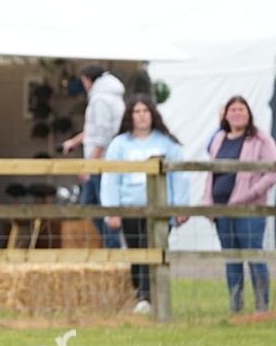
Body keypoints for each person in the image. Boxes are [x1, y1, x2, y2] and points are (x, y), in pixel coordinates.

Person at [100, 95, 188, 315]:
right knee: (136, 252)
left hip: (160, 209)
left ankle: (152, 297)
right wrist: (112, 210)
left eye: (145, 111)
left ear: (153, 114)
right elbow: (111, 178)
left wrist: (180, 207)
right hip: (130, 207)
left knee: (155, 251)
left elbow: (179, 177)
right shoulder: (119, 144)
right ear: (130, 116)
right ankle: (141, 295)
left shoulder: (167, 143)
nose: (141, 116)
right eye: (137, 112)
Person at [204, 95, 275, 313]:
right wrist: (208, 201)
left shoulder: (261, 140)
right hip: (222, 209)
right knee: (232, 258)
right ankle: (236, 305)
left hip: (249, 210)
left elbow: (271, 172)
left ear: (249, 113)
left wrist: (250, 193)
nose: (237, 113)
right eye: (232, 110)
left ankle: (262, 307)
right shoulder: (219, 139)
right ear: (225, 115)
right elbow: (211, 173)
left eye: (241, 109)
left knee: (253, 255)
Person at [62, 64, 126, 249]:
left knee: (102, 208)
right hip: (101, 161)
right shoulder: (109, 97)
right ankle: (111, 246)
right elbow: (95, 130)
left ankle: (113, 249)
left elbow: (104, 135)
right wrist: (75, 141)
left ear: (89, 79)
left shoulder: (100, 100)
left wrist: (90, 165)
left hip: (101, 163)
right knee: (92, 205)